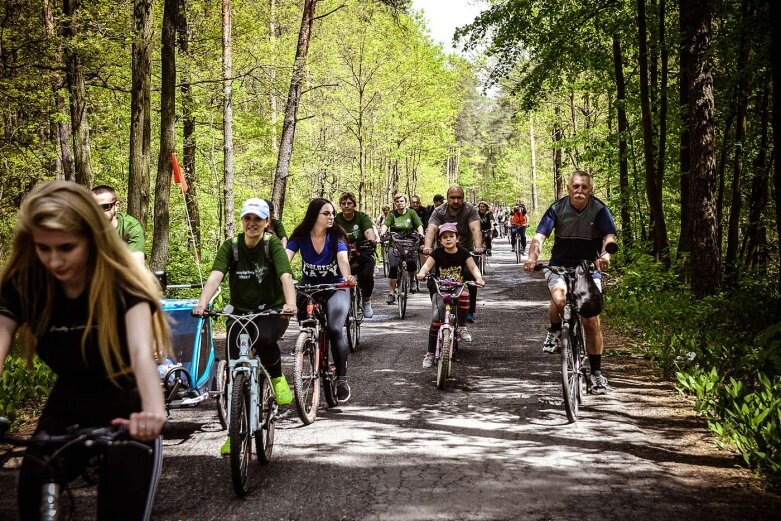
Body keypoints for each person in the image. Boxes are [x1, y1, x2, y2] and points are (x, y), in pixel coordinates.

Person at [0, 181, 172, 520]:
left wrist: (154, 410)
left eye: (66, 247)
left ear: (92, 238)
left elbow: (140, 353)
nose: (54, 261)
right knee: (32, 492)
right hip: (68, 401)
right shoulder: (24, 283)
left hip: (128, 404)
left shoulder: (122, 280)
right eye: (43, 248)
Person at [192, 197, 297, 456]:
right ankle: (234, 435)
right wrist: (202, 303)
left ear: (266, 222)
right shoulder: (232, 246)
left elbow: (286, 276)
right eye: (247, 218)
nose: (252, 223)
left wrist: (290, 304)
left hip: (271, 311)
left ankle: (276, 378)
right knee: (232, 365)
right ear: (242, 220)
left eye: (257, 219)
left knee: (263, 340)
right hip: (239, 313)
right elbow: (215, 276)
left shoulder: (272, 246)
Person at [523, 171, 617, 394]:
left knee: (591, 321)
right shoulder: (557, 208)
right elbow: (539, 237)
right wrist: (532, 258)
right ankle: (556, 330)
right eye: (576, 186)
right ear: (568, 188)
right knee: (559, 297)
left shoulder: (599, 209)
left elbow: (609, 237)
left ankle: (596, 374)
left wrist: (605, 256)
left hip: (588, 268)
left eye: (584, 187)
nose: (580, 191)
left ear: (590, 190)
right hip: (559, 266)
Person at [286, 198, 357, 401]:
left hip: (336, 287)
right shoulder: (300, 236)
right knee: (305, 325)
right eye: (326, 213)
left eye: (332, 213)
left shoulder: (337, 236)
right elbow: (286, 257)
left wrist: (346, 278)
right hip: (309, 287)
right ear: (314, 216)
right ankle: (309, 349)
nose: (331, 216)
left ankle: (341, 379)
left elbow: (343, 260)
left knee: (335, 329)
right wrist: (282, 276)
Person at [416, 223, 485, 367]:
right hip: (440, 289)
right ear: (440, 241)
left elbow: (473, 267)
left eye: (451, 236)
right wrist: (422, 273)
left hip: (457, 287)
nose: (448, 239)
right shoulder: (437, 253)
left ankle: (461, 327)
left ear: (457, 239)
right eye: (444, 237)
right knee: (436, 319)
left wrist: (478, 278)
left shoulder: (464, 252)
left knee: (466, 294)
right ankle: (429, 353)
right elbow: (427, 266)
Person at [423, 186, 483, 325]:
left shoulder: (470, 209)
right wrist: (427, 246)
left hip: (465, 249)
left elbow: (475, 228)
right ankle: (438, 307)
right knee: (432, 279)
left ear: (463, 198)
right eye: (452, 197)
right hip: (443, 250)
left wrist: (478, 247)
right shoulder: (439, 211)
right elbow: (431, 229)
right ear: (447, 198)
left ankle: (468, 311)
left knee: (471, 277)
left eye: (459, 198)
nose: (456, 201)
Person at [335, 192, 378, 318]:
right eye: (343, 204)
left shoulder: (361, 217)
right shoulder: (336, 219)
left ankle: (366, 301)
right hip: (342, 253)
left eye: (349, 204)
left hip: (361, 251)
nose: (346, 206)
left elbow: (368, 230)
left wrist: (371, 240)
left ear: (354, 205)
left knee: (366, 275)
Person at [380, 193, 424, 304]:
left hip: (409, 242)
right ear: (395, 204)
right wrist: (382, 233)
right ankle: (391, 293)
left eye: (402, 201)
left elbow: (419, 225)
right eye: (397, 202)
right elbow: (385, 225)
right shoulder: (392, 214)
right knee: (393, 267)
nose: (399, 203)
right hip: (395, 244)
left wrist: (421, 234)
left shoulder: (411, 213)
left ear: (406, 202)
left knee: (411, 262)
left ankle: (412, 280)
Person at [91, 185, 145, 265]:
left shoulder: (130, 226)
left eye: (105, 207)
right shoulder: (86, 227)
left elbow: (137, 264)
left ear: (116, 206)